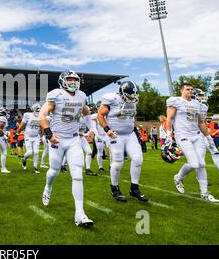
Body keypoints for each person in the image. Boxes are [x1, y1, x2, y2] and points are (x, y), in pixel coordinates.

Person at [39, 70, 96, 227]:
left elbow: (87, 113)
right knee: (54, 171)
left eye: (75, 79)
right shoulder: (55, 95)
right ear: (63, 80)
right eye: (69, 79)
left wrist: (91, 130)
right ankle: (48, 187)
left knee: (77, 175)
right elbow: (42, 116)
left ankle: (80, 214)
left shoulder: (81, 96)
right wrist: (49, 135)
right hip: (57, 139)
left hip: (73, 140)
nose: (72, 82)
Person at [97, 81, 148, 203]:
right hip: (115, 135)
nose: (133, 97)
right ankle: (115, 189)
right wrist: (107, 129)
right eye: (130, 95)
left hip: (130, 134)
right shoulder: (112, 99)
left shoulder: (133, 100)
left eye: (134, 95)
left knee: (137, 159)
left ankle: (134, 188)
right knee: (118, 162)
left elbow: (130, 117)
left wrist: (135, 128)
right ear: (122, 93)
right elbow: (100, 115)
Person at [168, 83, 218, 202]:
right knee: (194, 163)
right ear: (181, 90)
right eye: (187, 89)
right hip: (183, 136)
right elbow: (169, 118)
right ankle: (178, 177)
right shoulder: (175, 101)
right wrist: (168, 135)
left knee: (201, 164)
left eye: (191, 89)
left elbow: (200, 122)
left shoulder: (196, 104)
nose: (190, 91)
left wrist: (209, 137)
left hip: (197, 136)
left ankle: (204, 193)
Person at [18, 103, 42, 173]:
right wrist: (17, 132)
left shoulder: (41, 116)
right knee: (29, 152)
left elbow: (41, 126)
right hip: (28, 136)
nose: (38, 112)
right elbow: (22, 125)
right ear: (33, 110)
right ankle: (24, 159)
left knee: (36, 152)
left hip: (36, 136)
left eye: (39, 110)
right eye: (37, 110)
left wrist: (43, 134)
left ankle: (35, 167)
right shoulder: (27, 115)